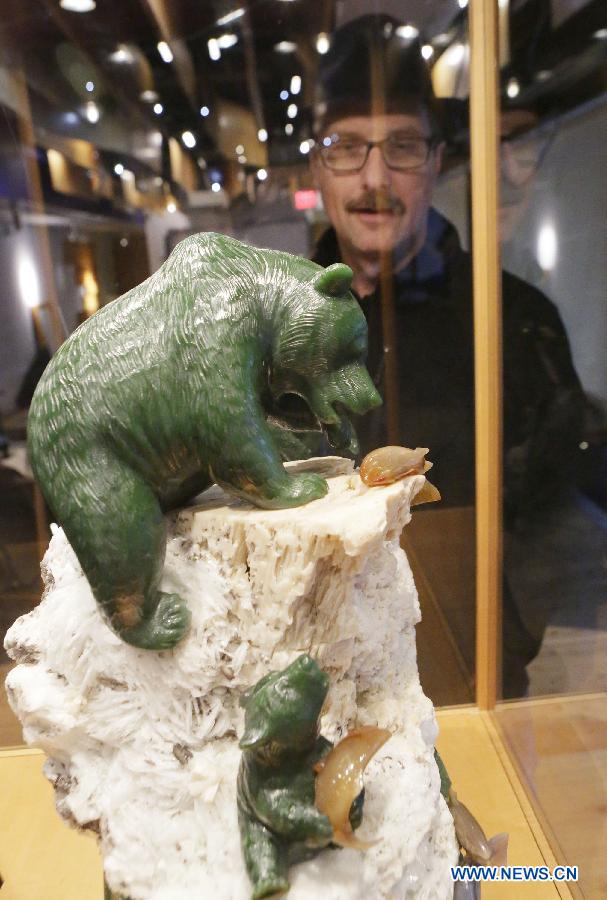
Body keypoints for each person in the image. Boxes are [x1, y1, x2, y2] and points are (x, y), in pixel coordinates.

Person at [309, 14, 587, 698]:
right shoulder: (272, 330)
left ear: (436, 159)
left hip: (469, 682)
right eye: (347, 145)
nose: (374, 175)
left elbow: (553, 519)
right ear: (317, 165)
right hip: (313, 694)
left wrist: (491, 644)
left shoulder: (517, 323)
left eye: (401, 145)